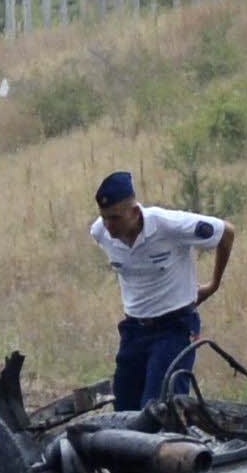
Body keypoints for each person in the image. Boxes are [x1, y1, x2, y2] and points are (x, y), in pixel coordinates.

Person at [87, 168, 233, 413]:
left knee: (160, 411)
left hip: (174, 328)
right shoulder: (99, 233)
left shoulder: (169, 225)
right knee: (124, 413)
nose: (109, 225)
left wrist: (213, 285)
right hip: (134, 331)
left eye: (115, 218)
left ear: (134, 213)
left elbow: (226, 233)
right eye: (104, 218)